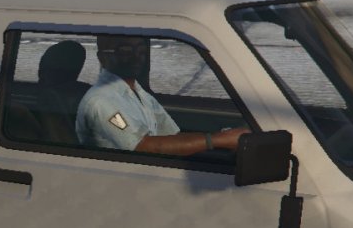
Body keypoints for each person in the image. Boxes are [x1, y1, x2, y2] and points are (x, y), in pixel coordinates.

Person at [76, 34, 250, 156]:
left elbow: (171, 136)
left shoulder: (137, 91)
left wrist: (224, 138)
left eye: (141, 51)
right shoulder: (101, 101)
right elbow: (144, 147)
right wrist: (217, 140)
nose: (138, 58)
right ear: (102, 58)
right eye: (126, 51)